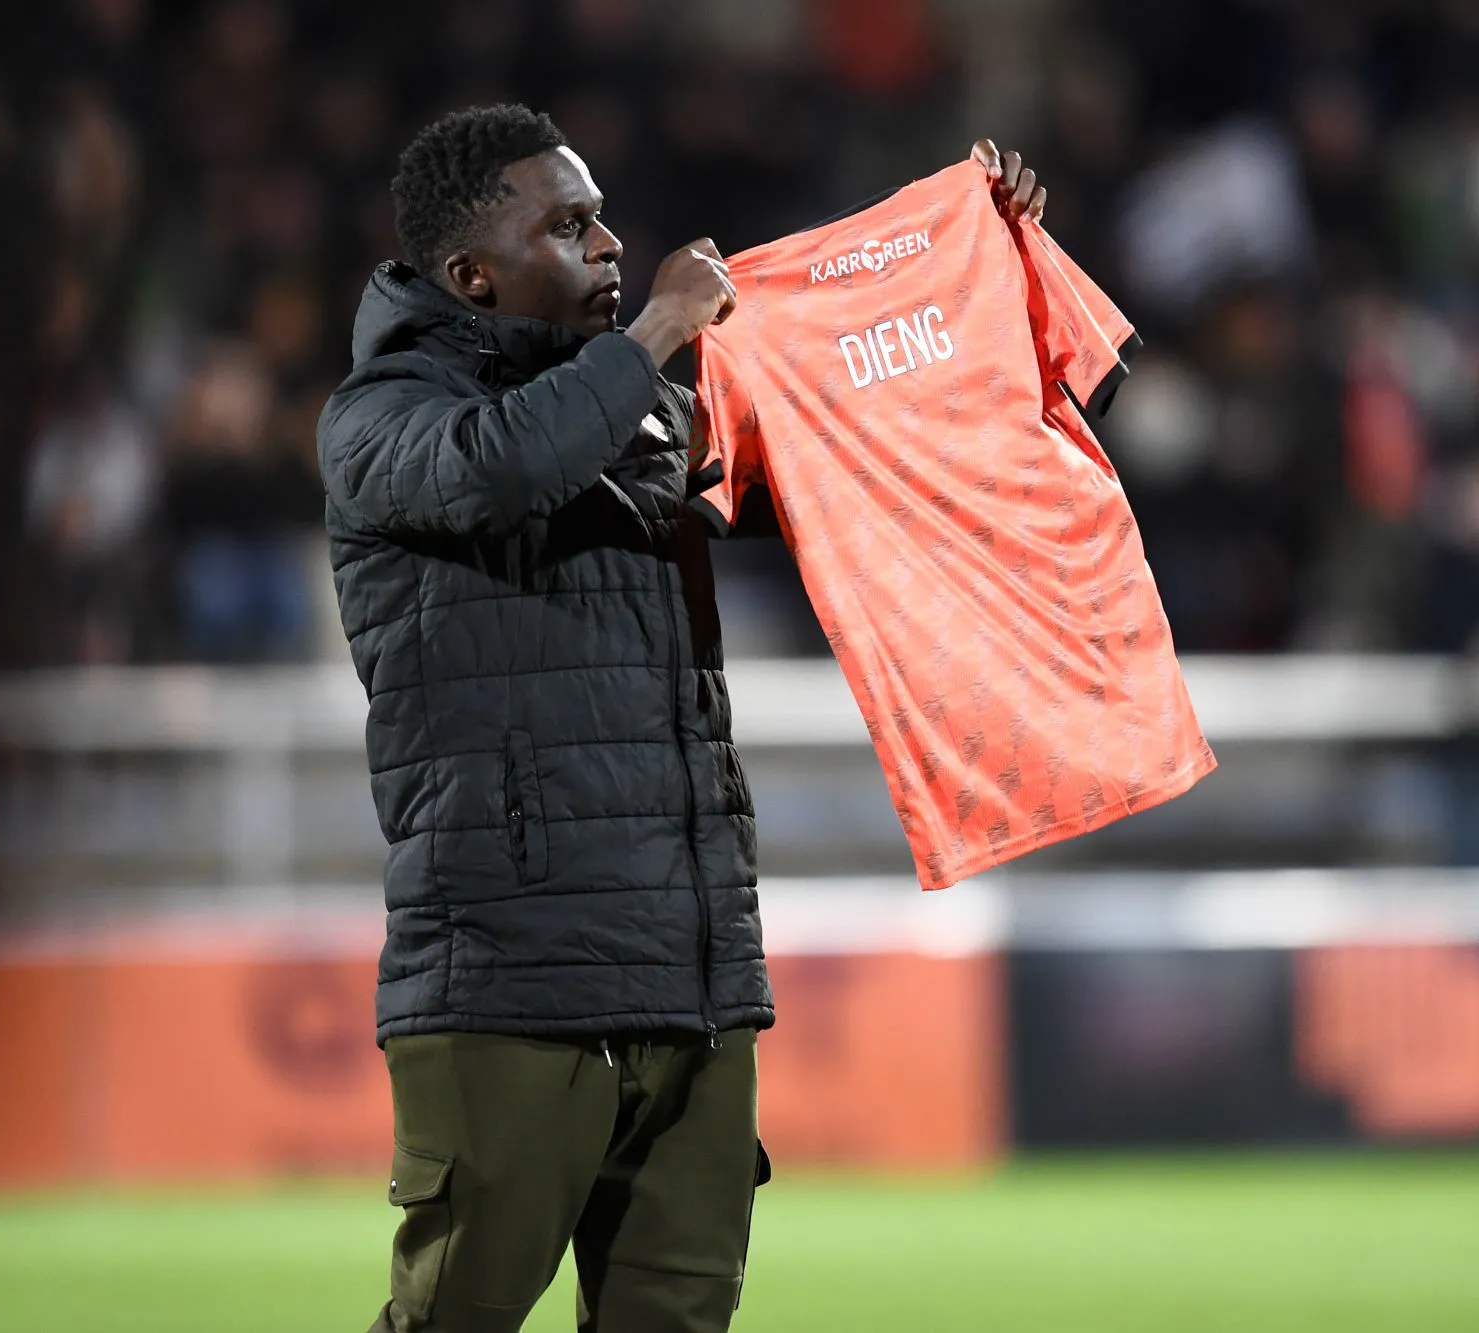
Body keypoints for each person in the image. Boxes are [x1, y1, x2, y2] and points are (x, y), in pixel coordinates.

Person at [318, 103, 1046, 1333]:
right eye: (566, 225)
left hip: (691, 976)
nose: (607, 245)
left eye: (602, 215)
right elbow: (502, 466)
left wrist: (985, 277)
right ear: (469, 274)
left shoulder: (645, 411)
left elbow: (880, 456)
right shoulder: (379, 420)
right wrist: (656, 328)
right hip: (512, 981)